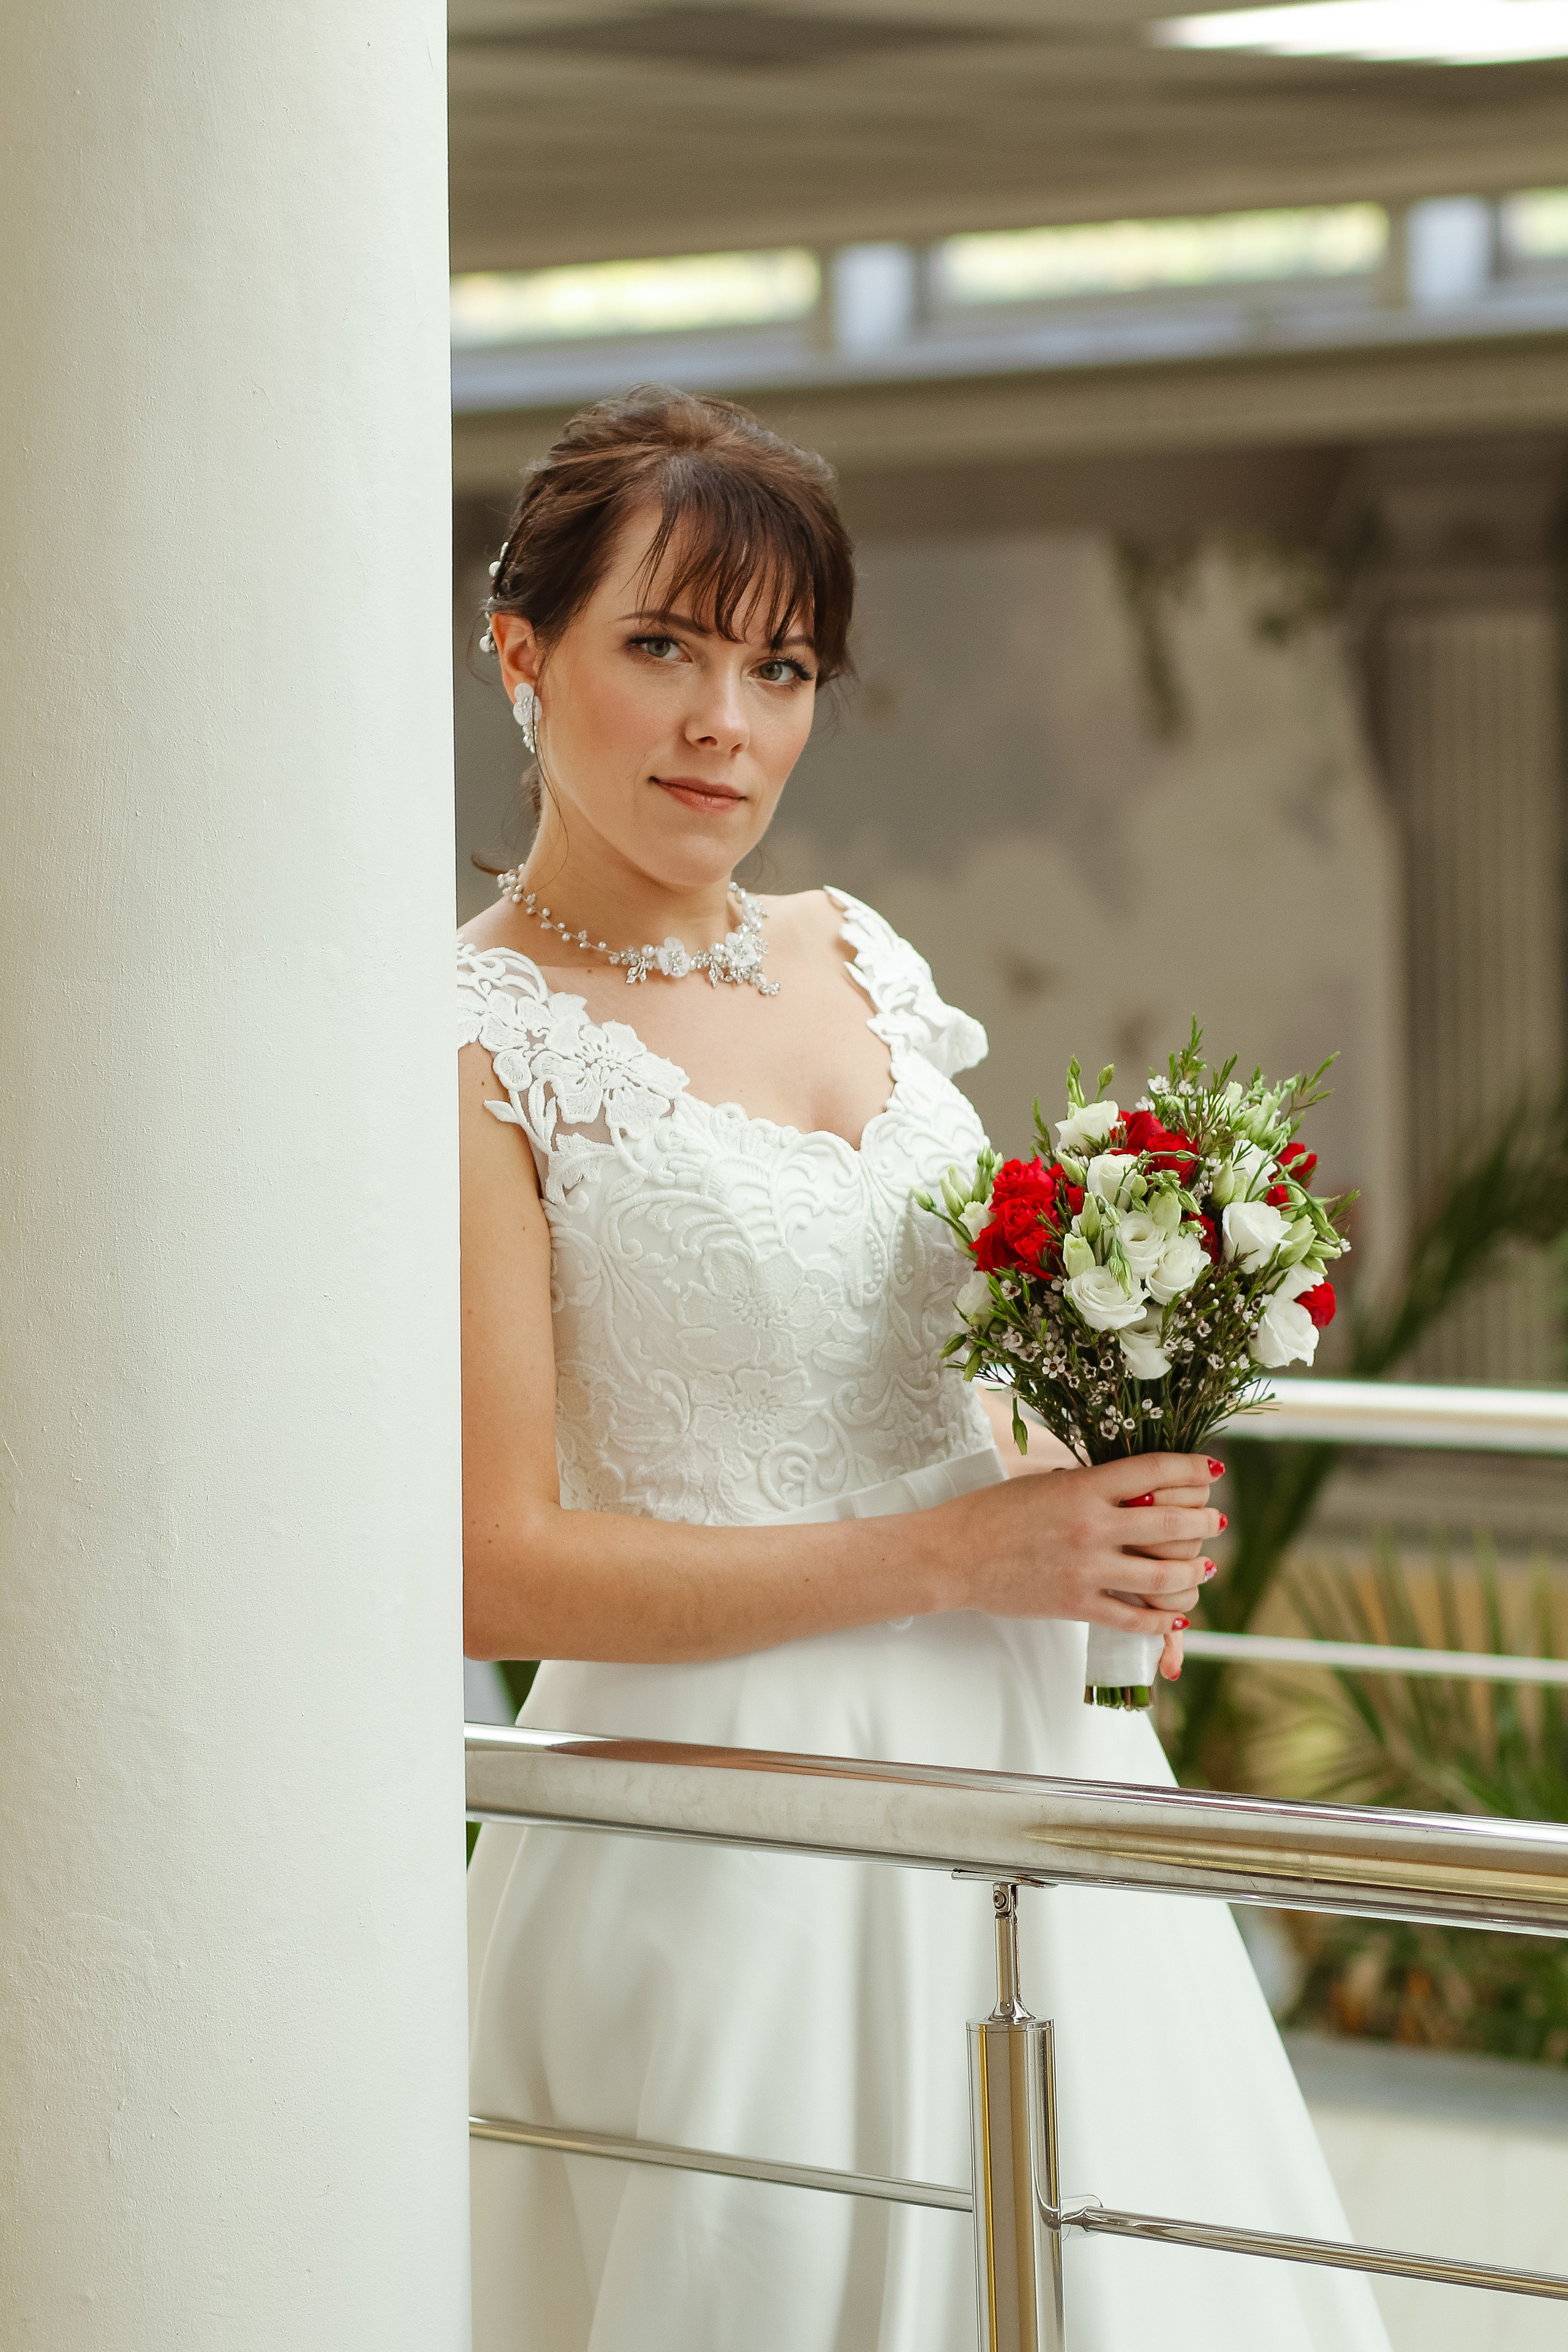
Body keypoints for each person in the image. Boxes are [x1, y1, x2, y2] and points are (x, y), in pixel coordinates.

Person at [460, 386, 1388, 2351]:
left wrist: (1092, 1514)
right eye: (665, 648)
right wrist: (968, 1560)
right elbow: (492, 1568)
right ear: (522, 655)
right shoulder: (465, 1041)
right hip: (716, 1836)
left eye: (781, 667)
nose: (730, 720)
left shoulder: (857, 955)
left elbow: (943, 1379)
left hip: (1038, 1753)